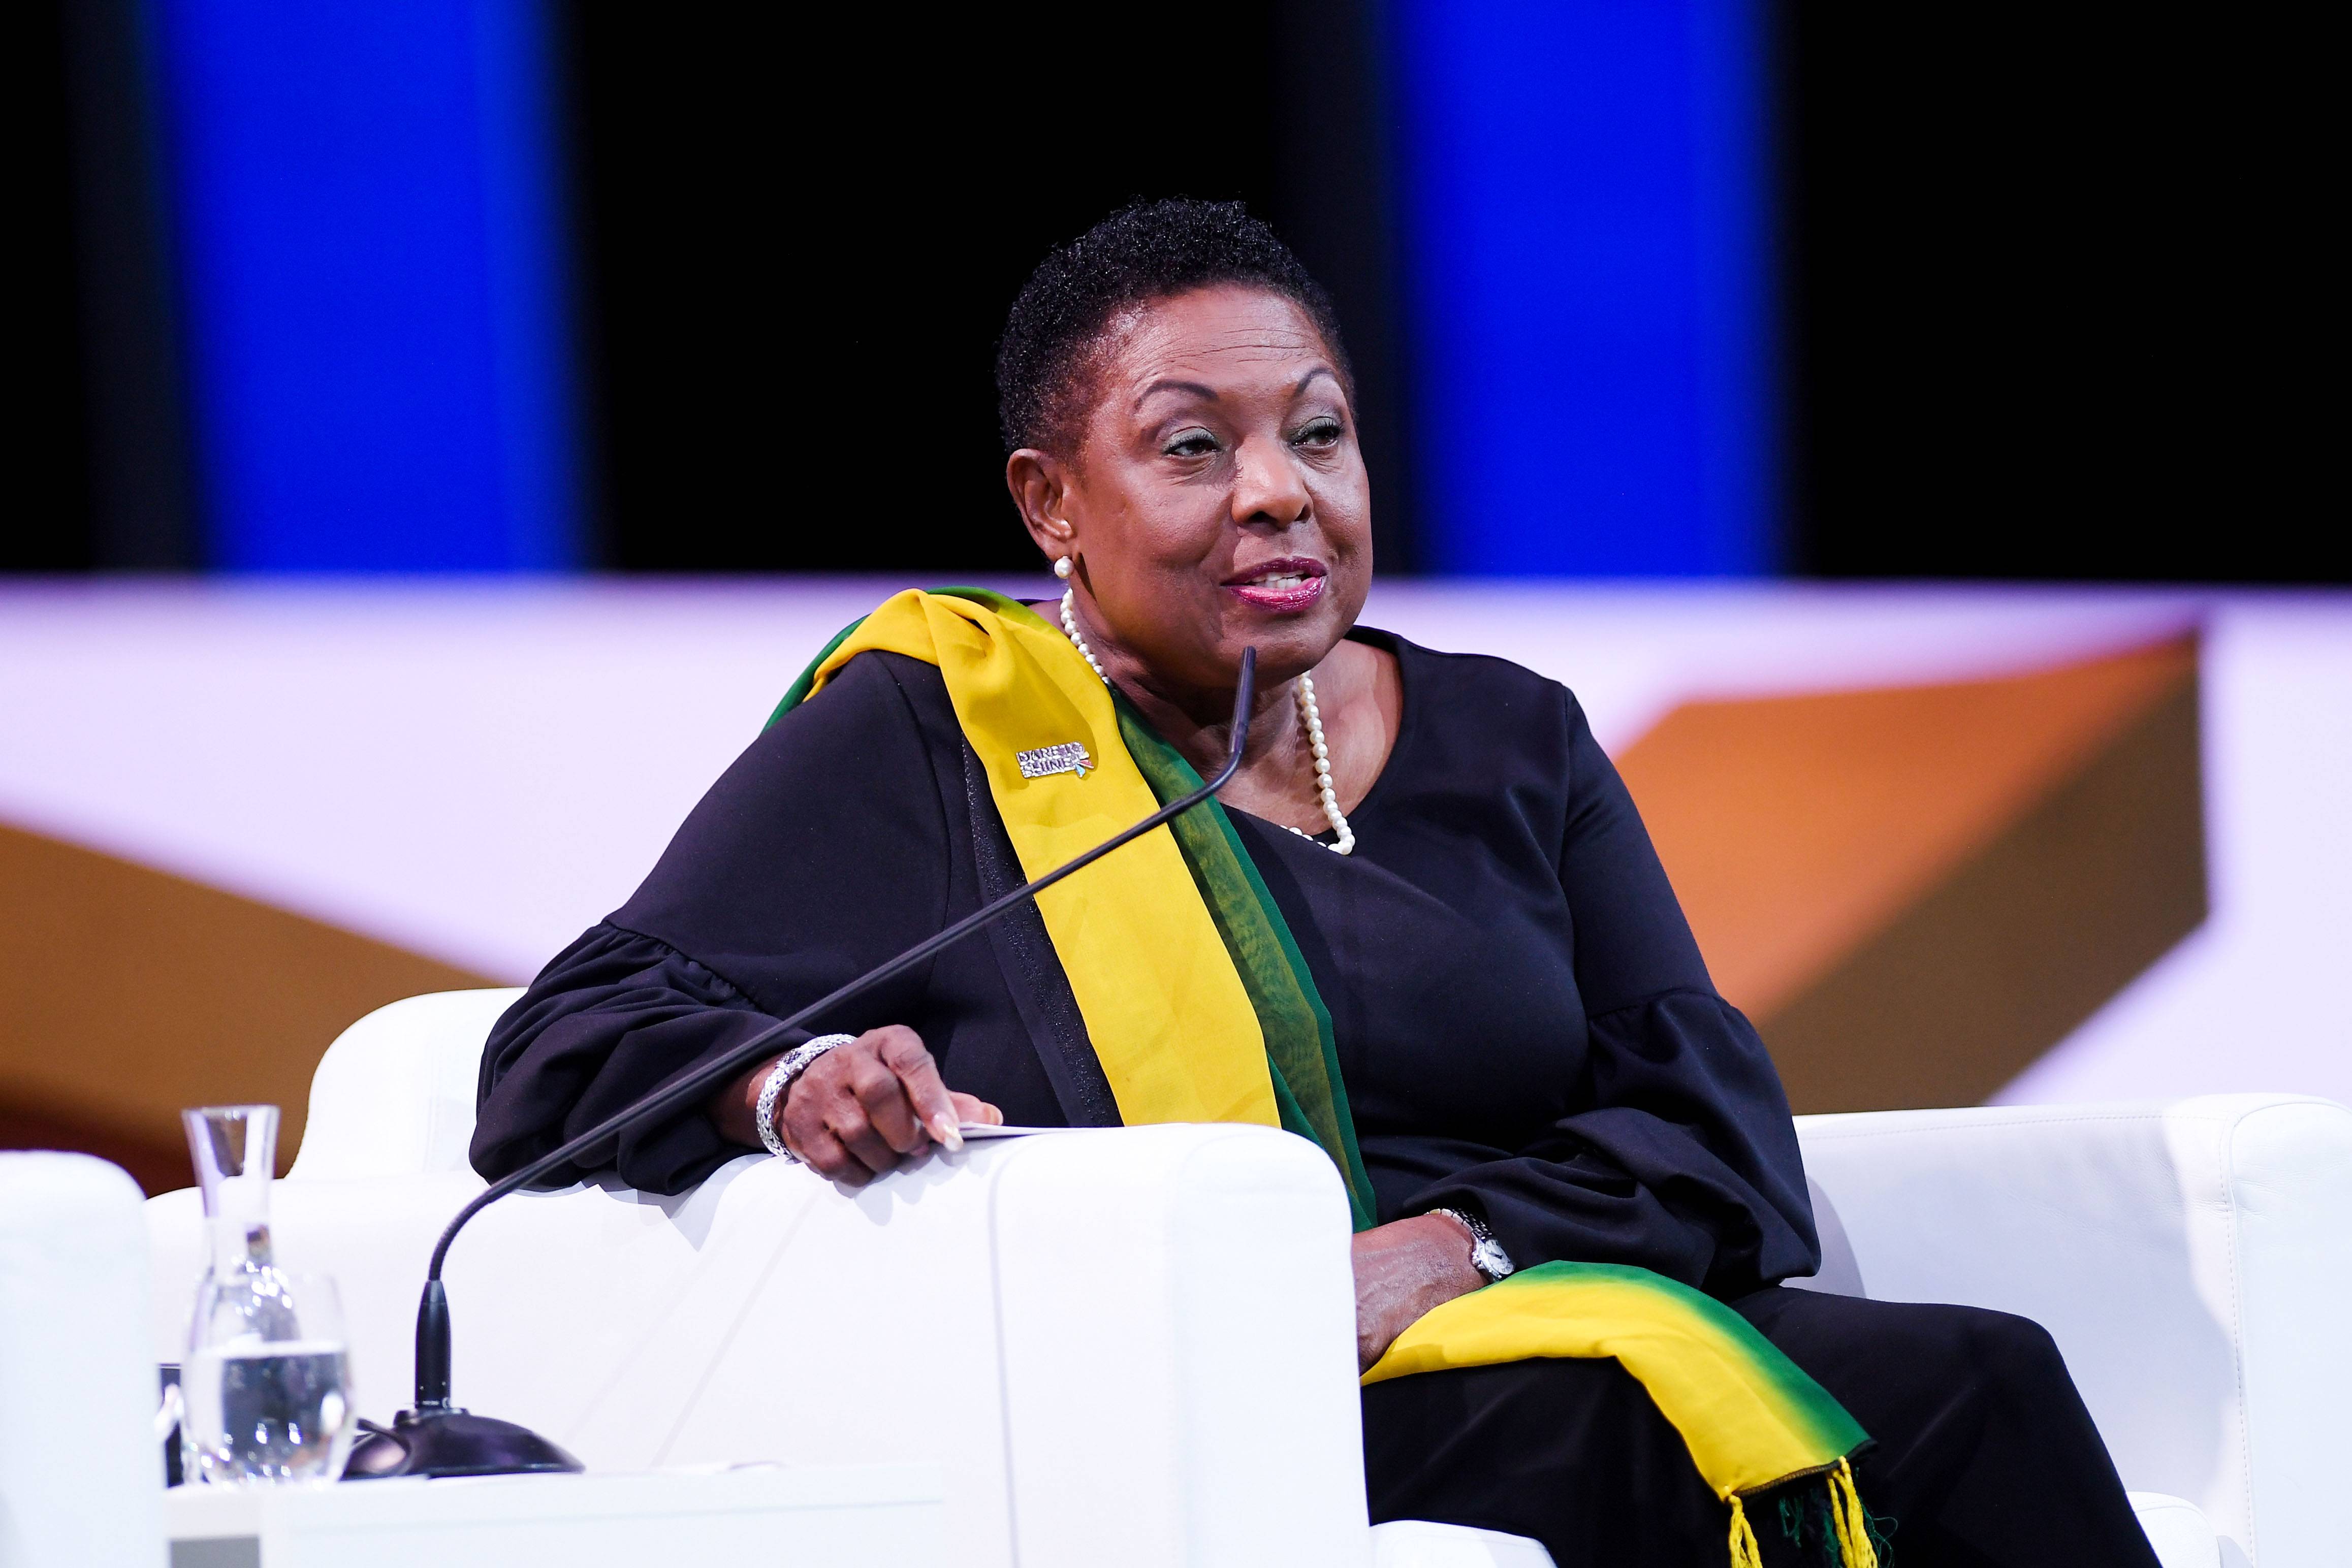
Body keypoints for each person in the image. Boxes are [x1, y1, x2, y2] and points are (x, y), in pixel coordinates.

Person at [473, 199, 2158, 1567]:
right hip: (1198, 1388)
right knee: (1706, 1428)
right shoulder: (943, 734)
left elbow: (1713, 1127)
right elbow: (567, 1038)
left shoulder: (1512, 736)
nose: (1279, 491)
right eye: (1194, 448)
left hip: (1510, 1314)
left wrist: (1452, 1246)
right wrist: (792, 1083)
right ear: (1052, 502)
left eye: (1320, 437)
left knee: (1977, 1376)